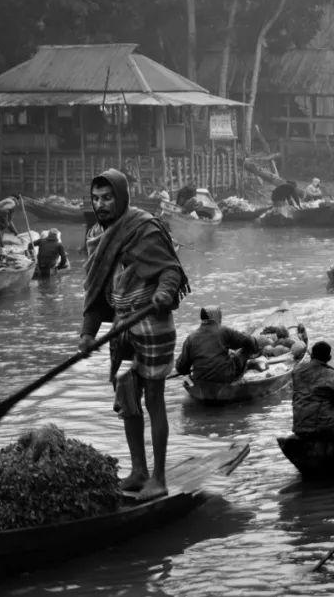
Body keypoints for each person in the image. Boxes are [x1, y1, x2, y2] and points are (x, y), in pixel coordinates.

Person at [80, 169, 189, 501]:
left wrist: (164, 293)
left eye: (107, 198)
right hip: (122, 323)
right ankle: (138, 471)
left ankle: (159, 478)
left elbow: (170, 270)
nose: (101, 204)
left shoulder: (144, 228)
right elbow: (95, 290)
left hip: (152, 320)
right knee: (127, 398)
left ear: (122, 197)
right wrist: (87, 334)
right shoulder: (97, 236)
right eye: (96, 199)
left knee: (154, 398)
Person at [175, 306, 260, 383]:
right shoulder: (224, 331)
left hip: (200, 379)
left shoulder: (190, 338)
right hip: (225, 376)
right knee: (248, 348)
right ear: (216, 317)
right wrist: (255, 347)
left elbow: (181, 368)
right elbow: (248, 341)